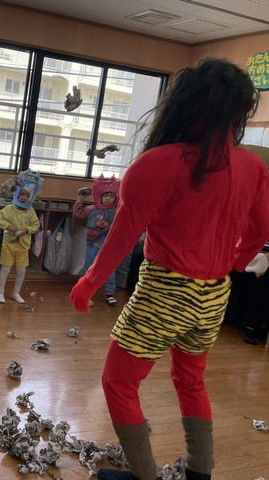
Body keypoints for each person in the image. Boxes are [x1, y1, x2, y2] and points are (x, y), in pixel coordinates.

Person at [70, 58, 269, 480]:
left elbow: (123, 235)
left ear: (184, 103)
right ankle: (199, 473)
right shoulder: (253, 167)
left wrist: (90, 281)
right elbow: (263, 227)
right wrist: (237, 260)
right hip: (214, 295)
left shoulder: (158, 162)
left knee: (119, 384)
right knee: (191, 381)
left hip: (166, 292)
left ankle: (144, 475)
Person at [0, 170, 42, 304]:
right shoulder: (9, 209)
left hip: (23, 246)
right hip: (9, 244)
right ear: (17, 194)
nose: (24, 198)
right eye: (22, 194)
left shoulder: (30, 211)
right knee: (5, 269)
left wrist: (27, 230)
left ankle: (16, 293)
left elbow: (36, 224)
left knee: (21, 271)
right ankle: (0, 293)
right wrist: (8, 226)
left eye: (28, 195)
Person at [73, 175, 120, 306]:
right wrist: (80, 199)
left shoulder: (116, 211)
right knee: (89, 268)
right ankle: (84, 293)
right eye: (106, 196)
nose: (108, 199)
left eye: (111, 196)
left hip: (109, 246)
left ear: (115, 197)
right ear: (100, 196)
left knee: (109, 270)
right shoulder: (91, 209)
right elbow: (78, 214)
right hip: (93, 245)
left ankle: (109, 293)